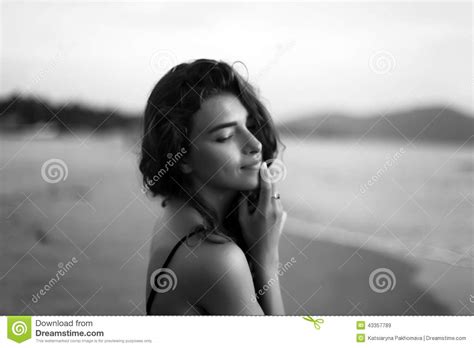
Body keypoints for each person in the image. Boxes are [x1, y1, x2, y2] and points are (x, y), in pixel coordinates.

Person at [139, 58, 287, 315]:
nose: (255, 144)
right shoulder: (218, 260)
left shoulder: (174, 219)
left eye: (249, 126)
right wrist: (268, 260)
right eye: (225, 136)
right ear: (181, 155)